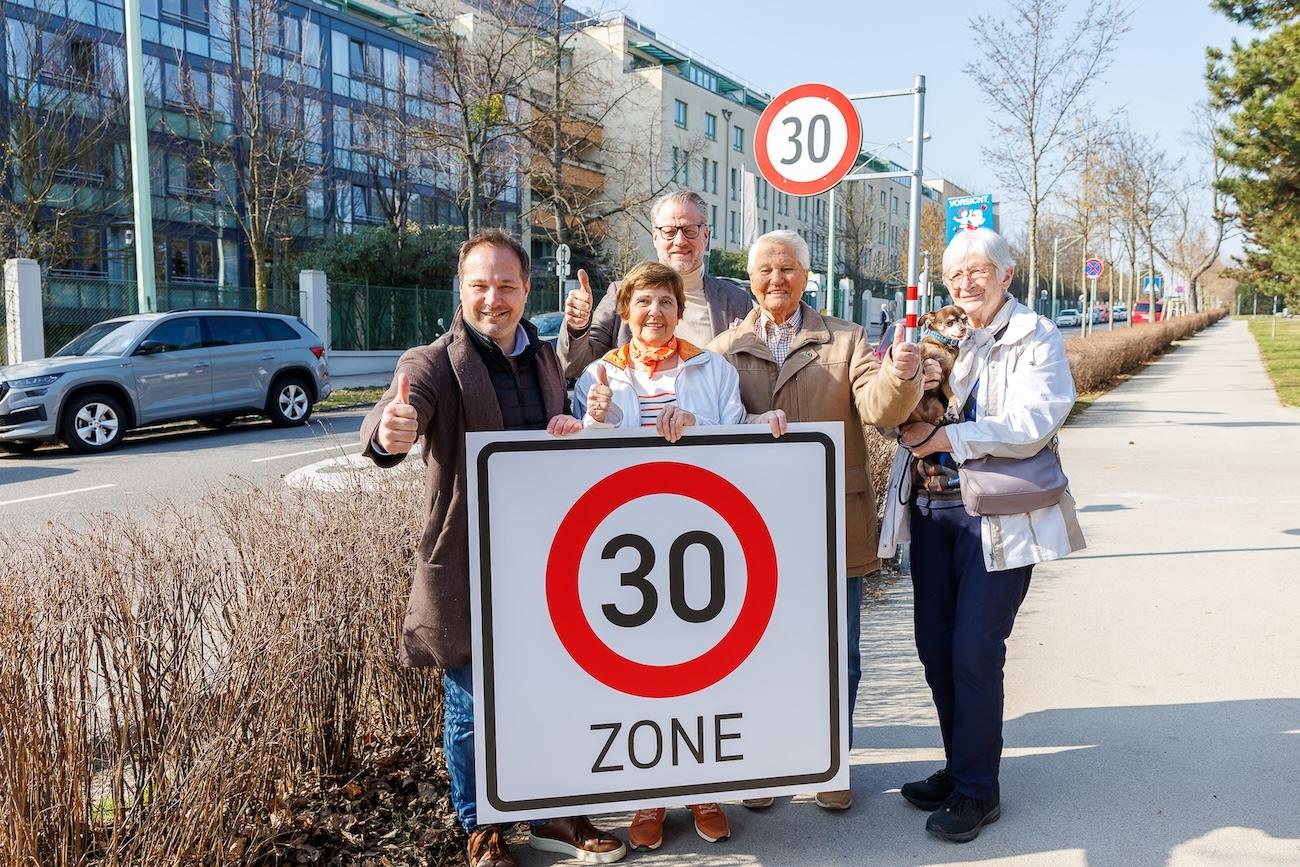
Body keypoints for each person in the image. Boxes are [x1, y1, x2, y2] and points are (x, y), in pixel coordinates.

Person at [359, 230, 626, 867]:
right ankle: (481, 827)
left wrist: (572, 423)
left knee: (556, 693)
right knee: (472, 707)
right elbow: (395, 413)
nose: (493, 298)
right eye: (480, 285)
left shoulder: (542, 359)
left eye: (506, 285)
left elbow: (555, 435)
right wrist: (388, 431)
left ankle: (557, 811)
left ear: (526, 290)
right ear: (462, 288)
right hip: (472, 565)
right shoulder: (433, 362)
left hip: (548, 560)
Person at [554, 260, 781, 851]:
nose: (654, 313)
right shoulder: (601, 375)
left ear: (680, 311)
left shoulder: (712, 369)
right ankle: (649, 799)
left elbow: (734, 440)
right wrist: (596, 421)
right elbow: (586, 461)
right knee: (640, 679)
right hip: (626, 549)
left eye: (665, 302)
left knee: (702, 669)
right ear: (626, 312)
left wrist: (698, 423)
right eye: (643, 303)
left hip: (701, 542)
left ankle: (703, 791)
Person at [879, 227, 1085, 843]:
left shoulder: (1034, 336)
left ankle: (978, 790)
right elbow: (894, 409)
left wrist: (948, 440)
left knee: (974, 648)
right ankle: (959, 762)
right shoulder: (933, 335)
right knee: (935, 648)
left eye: (980, 270)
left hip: (996, 517)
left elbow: (1034, 421)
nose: (967, 282)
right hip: (932, 514)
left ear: (1006, 276)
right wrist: (898, 377)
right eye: (957, 274)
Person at [708, 229, 924, 812]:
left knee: (839, 652)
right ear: (749, 279)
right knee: (757, 651)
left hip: (833, 519)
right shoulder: (725, 347)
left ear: (808, 276)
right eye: (765, 270)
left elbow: (879, 411)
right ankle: (765, 765)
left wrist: (900, 375)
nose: (776, 279)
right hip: (752, 529)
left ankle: (832, 759)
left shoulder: (847, 339)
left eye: (788, 269)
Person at [558, 190, 753, 380]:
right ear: (655, 237)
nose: (680, 241)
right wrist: (578, 326)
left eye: (689, 231)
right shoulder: (622, 293)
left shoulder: (736, 301)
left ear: (706, 236)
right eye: (669, 232)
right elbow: (573, 366)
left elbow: (749, 377)